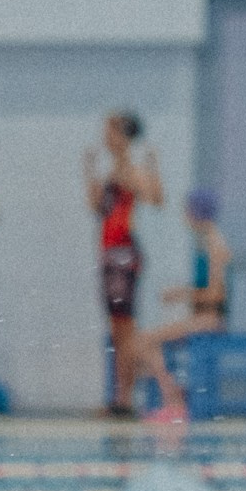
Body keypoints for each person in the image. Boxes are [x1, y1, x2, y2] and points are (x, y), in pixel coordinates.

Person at [85, 109, 164, 417]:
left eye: (111, 131)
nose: (106, 137)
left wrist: (151, 166)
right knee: (117, 329)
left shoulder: (129, 171)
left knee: (126, 328)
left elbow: (156, 198)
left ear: (123, 137)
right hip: (110, 253)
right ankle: (121, 398)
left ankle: (129, 396)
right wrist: (90, 171)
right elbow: (97, 208)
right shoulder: (114, 173)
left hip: (124, 254)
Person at [130, 189, 232, 422]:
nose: (184, 215)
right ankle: (174, 394)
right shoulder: (208, 242)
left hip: (211, 320)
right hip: (203, 318)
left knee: (144, 341)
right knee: (145, 343)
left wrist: (181, 294)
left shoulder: (215, 244)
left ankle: (174, 399)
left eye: (187, 210)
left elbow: (216, 295)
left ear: (196, 212)